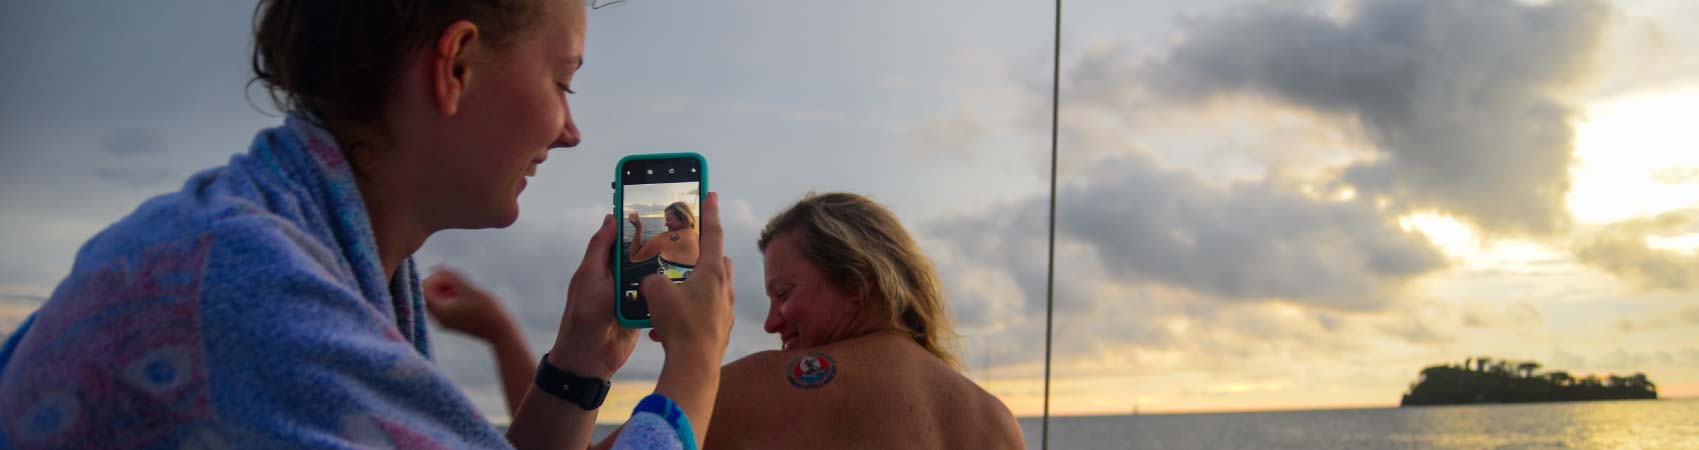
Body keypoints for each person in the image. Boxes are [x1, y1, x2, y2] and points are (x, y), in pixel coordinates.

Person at [0, 0, 736, 449]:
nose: (570, 130)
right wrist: (695, 365)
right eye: (561, 82)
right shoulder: (247, 289)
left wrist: (582, 364)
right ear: (455, 65)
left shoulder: (274, 248)